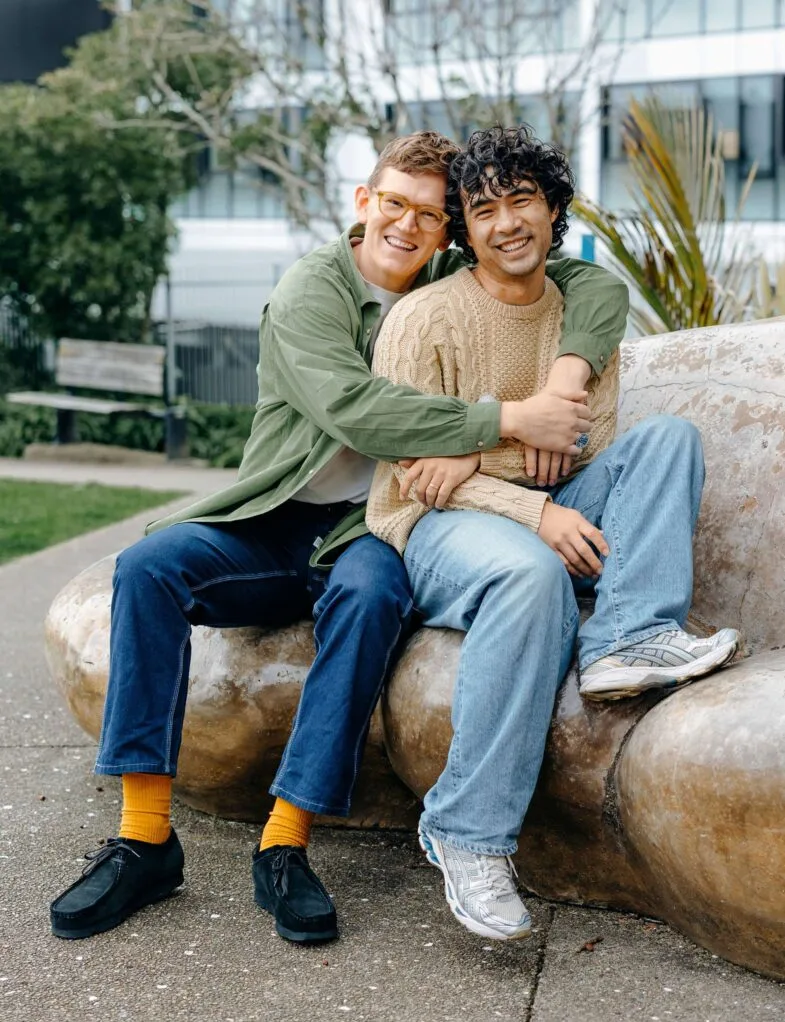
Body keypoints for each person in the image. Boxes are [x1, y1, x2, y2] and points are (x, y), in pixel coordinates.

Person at [49, 130, 629, 946]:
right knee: (146, 568)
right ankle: (144, 837)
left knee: (367, 595)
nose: (407, 226)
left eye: (430, 216)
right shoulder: (309, 291)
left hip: (373, 527)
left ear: (447, 231)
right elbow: (355, 408)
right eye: (393, 204)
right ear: (364, 202)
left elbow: (586, 287)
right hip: (279, 519)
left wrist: (564, 374)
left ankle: (285, 843)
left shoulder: (447, 280)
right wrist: (502, 420)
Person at [365, 124, 740, 943]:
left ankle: (627, 636)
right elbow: (412, 471)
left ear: (551, 209)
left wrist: (473, 456)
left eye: (521, 200)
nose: (506, 223)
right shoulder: (425, 319)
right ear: (464, 228)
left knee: (667, 437)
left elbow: (578, 443)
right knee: (531, 577)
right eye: (483, 208)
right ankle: (465, 835)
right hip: (434, 524)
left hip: (517, 494)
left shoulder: (580, 319)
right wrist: (532, 505)